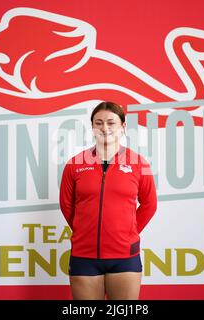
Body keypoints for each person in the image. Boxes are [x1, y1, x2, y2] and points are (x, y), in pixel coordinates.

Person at [59, 101, 157, 300]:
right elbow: (67, 205)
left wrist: (127, 231)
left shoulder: (139, 163)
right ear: (92, 127)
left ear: (122, 127)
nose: (105, 128)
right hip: (84, 256)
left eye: (111, 122)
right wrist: (84, 229)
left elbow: (149, 204)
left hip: (125, 257)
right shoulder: (74, 164)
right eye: (99, 123)